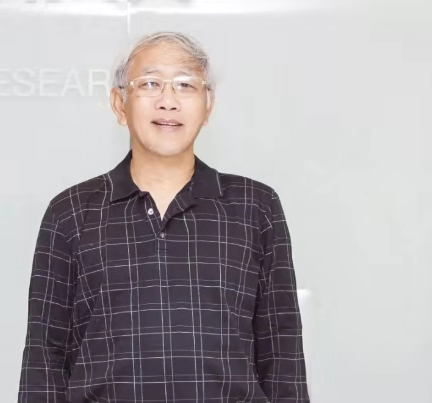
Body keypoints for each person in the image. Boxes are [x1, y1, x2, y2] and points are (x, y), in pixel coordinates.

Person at [18, 31, 310, 403]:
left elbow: (282, 350)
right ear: (119, 104)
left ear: (208, 105)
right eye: (150, 84)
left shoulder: (255, 207)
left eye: (185, 85)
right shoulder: (71, 211)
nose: (168, 101)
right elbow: (44, 355)